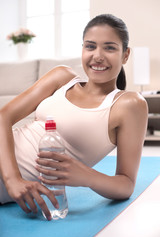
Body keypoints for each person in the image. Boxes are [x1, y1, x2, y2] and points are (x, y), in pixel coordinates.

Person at [0, 14, 148, 221]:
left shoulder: (129, 105)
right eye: (90, 46)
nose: (98, 56)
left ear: (125, 55)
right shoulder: (61, 77)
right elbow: (3, 117)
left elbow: (126, 184)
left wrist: (86, 177)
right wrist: (12, 180)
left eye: (109, 47)